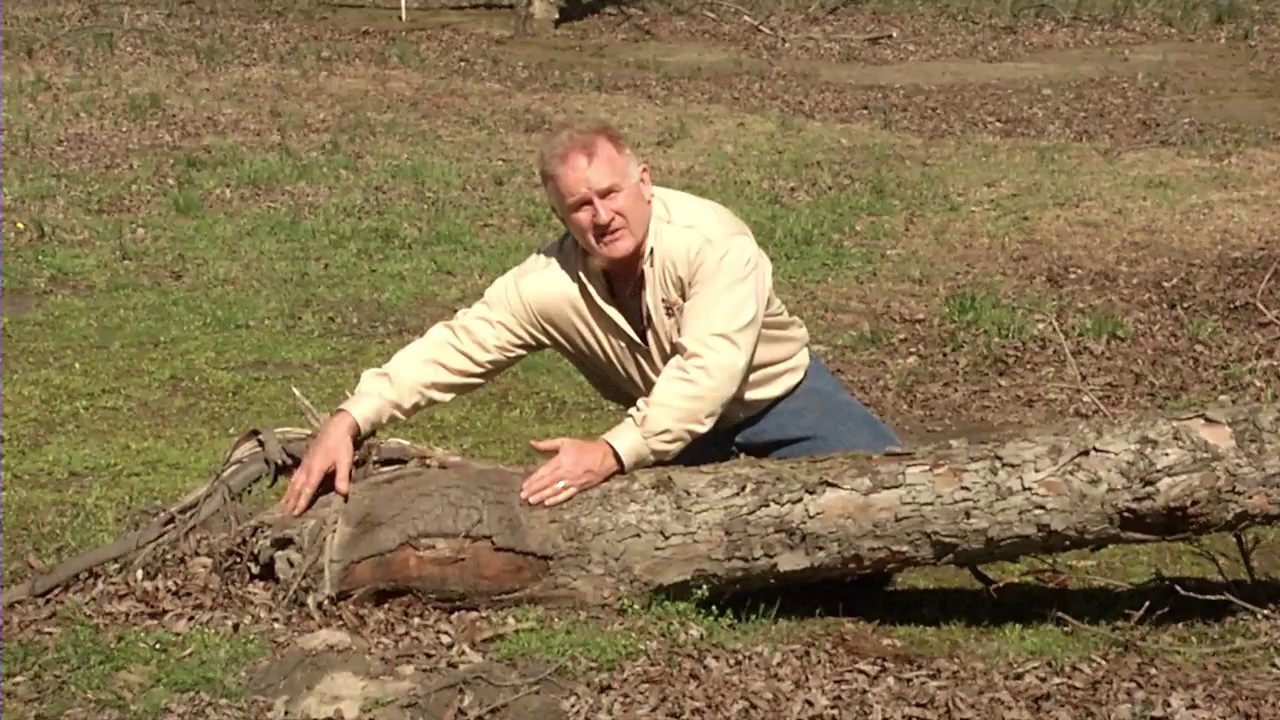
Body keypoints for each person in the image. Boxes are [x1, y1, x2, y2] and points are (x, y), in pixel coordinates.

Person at [281, 119, 902, 517]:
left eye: (610, 194)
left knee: (891, 494)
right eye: (580, 206)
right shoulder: (549, 284)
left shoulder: (712, 242)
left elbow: (708, 373)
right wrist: (351, 417)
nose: (601, 216)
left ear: (645, 181)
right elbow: (459, 345)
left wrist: (610, 451)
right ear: (559, 214)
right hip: (667, 425)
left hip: (777, 396)